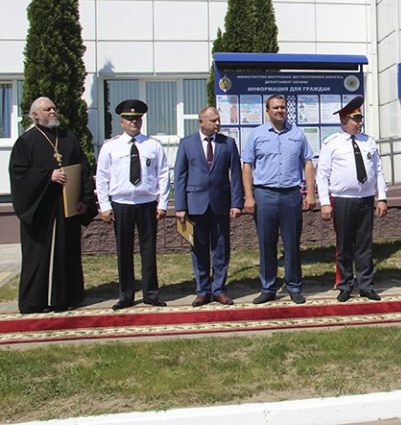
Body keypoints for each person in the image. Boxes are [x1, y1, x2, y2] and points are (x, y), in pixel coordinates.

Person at [9, 97, 97, 314]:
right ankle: (35, 301)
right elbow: (19, 174)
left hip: (66, 207)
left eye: (54, 108)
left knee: (66, 253)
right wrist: (47, 176)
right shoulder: (26, 142)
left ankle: (64, 297)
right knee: (39, 255)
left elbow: (84, 170)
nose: (52, 112)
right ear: (35, 115)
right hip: (41, 209)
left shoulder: (68, 139)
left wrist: (84, 199)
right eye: (47, 109)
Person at [96, 99, 170, 311]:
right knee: (124, 251)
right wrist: (104, 206)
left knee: (148, 250)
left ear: (142, 120)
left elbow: (163, 174)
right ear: (121, 121)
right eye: (129, 119)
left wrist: (162, 203)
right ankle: (126, 295)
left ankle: (151, 294)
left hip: (147, 203)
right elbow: (102, 177)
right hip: (121, 204)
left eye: (137, 119)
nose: (134, 122)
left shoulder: (153, 145)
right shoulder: (110, 146)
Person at [242, 94, 316, 305]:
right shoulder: (256, 134)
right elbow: (247, 165)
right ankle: (268, 288)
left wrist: (311, 193)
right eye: (275, 107)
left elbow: (307, 163)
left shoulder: (297, 133)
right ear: (267, 111)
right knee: (266, 243)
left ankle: (294, 286)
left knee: (292, 243)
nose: (280, 111)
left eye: (282, 107)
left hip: (291, 194)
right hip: (264, 194)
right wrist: (249, 196)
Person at [316, 97, 388, 302]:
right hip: (342, 200)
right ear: (344, 120)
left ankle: (366, 285)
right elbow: (322, 175)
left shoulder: (369, 142)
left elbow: (378, 171)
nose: (359, 122)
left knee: (365, 244)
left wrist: (382, 197)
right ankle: (345, 285)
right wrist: (325, 202)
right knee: (345, 245)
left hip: (365, 198)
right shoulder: (331, 143)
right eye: (355, 119)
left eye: (360, 118)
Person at [174, 106, 244, 307]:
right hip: (195, 205)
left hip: (220, 204)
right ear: (201, 122)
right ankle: (203, 290)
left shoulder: (228, 143)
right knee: (199, 248)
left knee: (221, 249)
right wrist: (180, 207)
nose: (218, 124)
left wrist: (236, 203)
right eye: (213, 120)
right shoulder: (187, 144)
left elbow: (235, 174)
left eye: (218, 120)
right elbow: (180, 176)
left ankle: (219, 289)